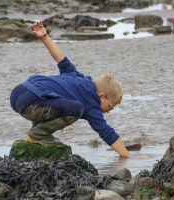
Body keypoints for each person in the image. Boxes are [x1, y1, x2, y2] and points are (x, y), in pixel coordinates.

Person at [10, 21, 130, 157]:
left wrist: (44, 37)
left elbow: (60, 58)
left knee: (53, 98)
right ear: (102, 96)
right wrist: (126, 156)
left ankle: (37, 132)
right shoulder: (92, 104)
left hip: (18, 93)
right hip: (31, 103)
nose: (108, 112)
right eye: (110, 107)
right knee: (76, 108)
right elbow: (106, 132)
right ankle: (38, 135)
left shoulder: (75, 75)